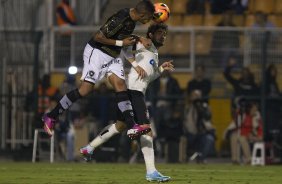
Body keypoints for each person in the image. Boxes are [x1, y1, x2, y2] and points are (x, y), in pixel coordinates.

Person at [42, 1, 155, 139]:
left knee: (120, 85)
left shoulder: (132, 21)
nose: (148, 20)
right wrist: (122, 43)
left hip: (113, 55)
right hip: (97, 52)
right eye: (148, 17)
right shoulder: (120, 18)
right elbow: (98, 37)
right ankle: (51, 116)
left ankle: (132, 127)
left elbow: (124, 43)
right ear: (142, 14)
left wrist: (136, 64)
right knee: (85, 90)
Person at [80, 23, 173, 182]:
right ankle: (151, 172)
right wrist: (135, 64)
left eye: (164, 33)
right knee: (146, 129)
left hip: (134, 91)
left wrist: (161, 69)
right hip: (133, 92)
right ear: (150, 35)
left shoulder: (153, 52)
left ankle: (88, 148)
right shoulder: (145, 44)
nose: (163, 36)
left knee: (119, 125)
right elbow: (124, 44)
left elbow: (149, 77)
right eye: (159, 33)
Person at [183, 90, 215, 163]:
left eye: (198, 96)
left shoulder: (204, 106)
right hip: (189, 132)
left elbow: (208, 117)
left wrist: (202, 108)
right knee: (189, 139)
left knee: (209, 139)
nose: (196, 97)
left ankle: (201, 158)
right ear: (191, 97)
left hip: (202, 132)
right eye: (194, 95)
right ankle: (189, 158)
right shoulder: (187, 107)